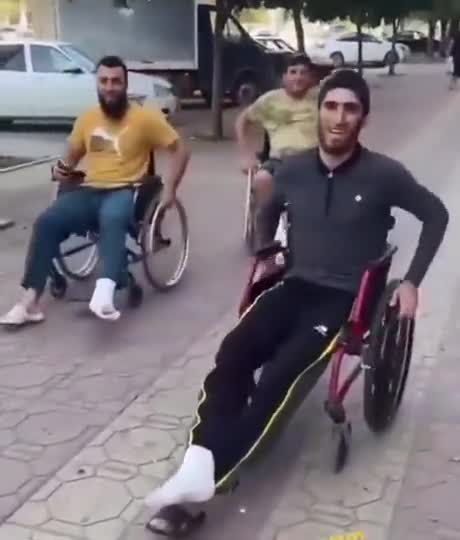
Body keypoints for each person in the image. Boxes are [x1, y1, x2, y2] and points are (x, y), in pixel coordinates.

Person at [143, 69, 449, 531]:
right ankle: (198, 461)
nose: (339, 117)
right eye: (332, 106)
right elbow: (267, 213)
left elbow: (436, 215)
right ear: (319, 112)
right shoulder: (293, 170)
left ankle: (206, 483)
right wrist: (268, 251)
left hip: (344, 299)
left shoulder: (385, 174)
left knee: (279, 376)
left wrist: (412, 282)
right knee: (234, 352)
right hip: (294, 285)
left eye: (350, 109)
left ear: (363, 118)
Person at [0, 55, 189, 326]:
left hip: (126, 189)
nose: (109, 87)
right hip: (90, 190)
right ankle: (29, 301)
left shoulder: (145, 118)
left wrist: (170, 189)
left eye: (116, 81)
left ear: (125, 84)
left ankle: (104, 294)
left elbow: (181, 150)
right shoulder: (87, 119)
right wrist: (61, 169)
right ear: (97, 84)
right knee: (46, 221)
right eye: (104, 81)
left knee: (112, 217)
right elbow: (71, 156)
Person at [235, 53, 319, 208]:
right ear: (284, 77)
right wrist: (246, 154)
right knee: (261, 180)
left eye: (303, 73)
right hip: (279, 160)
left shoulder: (319, 98)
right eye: (293, 72)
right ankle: (265, 220)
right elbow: (243, 119)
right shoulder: (270, 100)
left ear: (310, 78)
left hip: (314, 161)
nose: (298, 77)